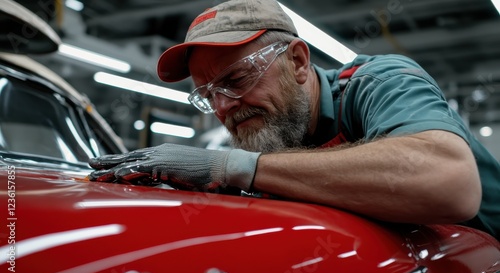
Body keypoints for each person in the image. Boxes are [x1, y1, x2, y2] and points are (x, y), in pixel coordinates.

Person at [88, 0, 500, 239]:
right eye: (208, 93)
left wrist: (230, 166)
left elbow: (450, 184)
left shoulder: (377, 82)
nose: (224, 106)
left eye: (236, 78)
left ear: (299, 62)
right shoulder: (274, 133)